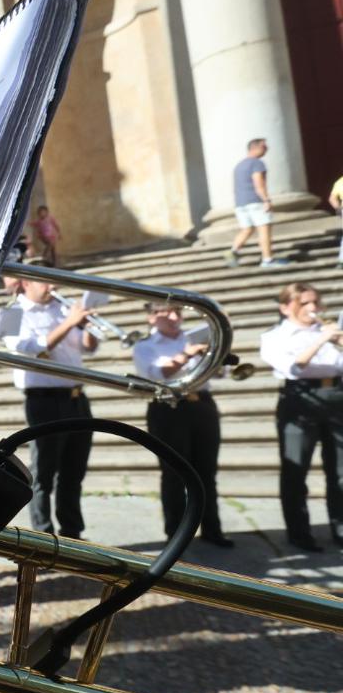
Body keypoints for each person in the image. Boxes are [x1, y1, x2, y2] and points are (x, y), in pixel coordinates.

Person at [131, 302, 232, 549]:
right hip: (167, 408)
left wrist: (213, 353)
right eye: (169, 313)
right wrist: (187, 354)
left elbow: (222, 374)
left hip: (202, 405)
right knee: (174, 474)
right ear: (153, 317)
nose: (176, 317)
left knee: (207, 472)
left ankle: (212, 529)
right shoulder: (145, 346)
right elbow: (157, 374)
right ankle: (175, 534)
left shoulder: (193, 339)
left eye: (179, 312)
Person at [6, 279, 99, 538]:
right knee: (43, 472)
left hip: (77, 397)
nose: (51, 285)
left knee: (74, 470)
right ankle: (43, 536)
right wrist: (69, 322)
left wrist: (88, 327)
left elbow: (88, 347)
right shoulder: (11, 313)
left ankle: (73, 534)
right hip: (43, 400)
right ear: (25, 283)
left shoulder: (61, 309)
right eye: (43, 280)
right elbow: (28, 349)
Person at [259, 281, 343, 553]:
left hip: (337, 394)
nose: (312, 308)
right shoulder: (274, 336)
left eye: (315, 302)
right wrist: (321, 339)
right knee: (296, 471)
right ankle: (299, 533)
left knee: (341, 471)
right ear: (285, 307)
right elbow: (294, 367)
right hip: (299, 398)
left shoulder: (330, 329)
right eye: (304, 303)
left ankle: (341, 529)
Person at [225, 138, 292, 268]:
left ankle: (233, 251)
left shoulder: (239, 165)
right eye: (264, 147)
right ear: (254, 148)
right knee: (264, 228)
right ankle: (267, 260)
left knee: (247, 229)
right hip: (255, 201)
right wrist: (266, 200)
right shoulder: (257, 163)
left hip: (241, 203)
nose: (267, 150)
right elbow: (259, 183)